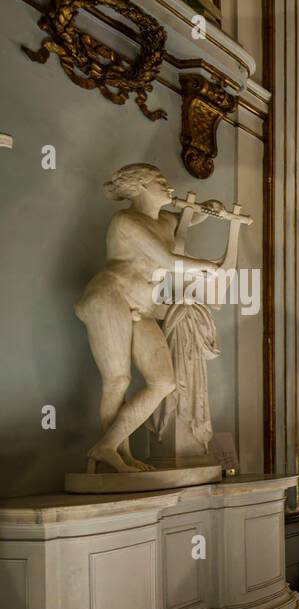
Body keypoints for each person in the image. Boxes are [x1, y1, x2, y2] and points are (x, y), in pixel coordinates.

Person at [76, 164, 225, 473]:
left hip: (141, 307)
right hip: (109, 297)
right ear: (140, 186)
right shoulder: (125, 220)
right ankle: (117, 456)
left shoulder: (167, 220)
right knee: (118, 380)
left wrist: (209, 210)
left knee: (164, 382)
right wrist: (207, 266)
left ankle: (108, 446)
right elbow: (167, 260)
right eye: (160, 181)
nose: (167, 186)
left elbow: (189, 218)